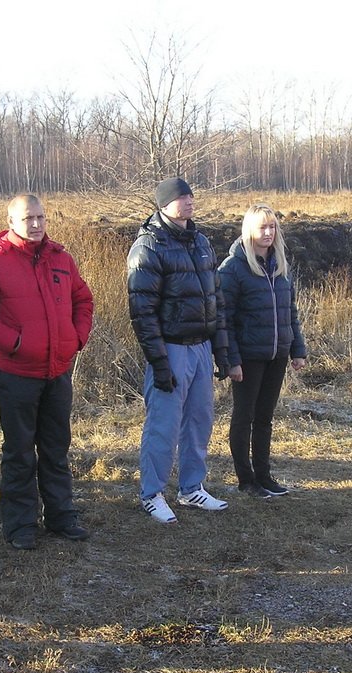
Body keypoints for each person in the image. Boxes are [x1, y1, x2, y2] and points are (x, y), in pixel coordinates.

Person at [0, 194, 93, 550]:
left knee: (56, 447)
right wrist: (14, 342)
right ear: (12, 221)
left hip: (57, 370)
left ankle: (61, 516)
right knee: (19, 451)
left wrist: (76, 337)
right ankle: (20, 524)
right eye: (27, 218)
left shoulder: (61, 259)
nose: (35, 225)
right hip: (16, 372)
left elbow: (83, 299)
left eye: (40, 217)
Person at [127, 177, 230, 523]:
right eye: (180, 197)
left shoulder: (201, 242)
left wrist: (222, 353)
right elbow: (142, 312)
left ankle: (191, 488)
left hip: (200, 347)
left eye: (190, 194)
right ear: (163, 204)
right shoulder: (149, 246)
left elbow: (215, 301)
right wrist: (159, 362)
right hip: (170, 348)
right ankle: (152, 493)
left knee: (199, 421)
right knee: (163, 425)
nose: (188, 201)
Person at [218, 204, 306, 497]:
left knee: (265, 417)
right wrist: (231, 360)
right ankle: (246, 480)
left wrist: (297, 349)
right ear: (249, 230)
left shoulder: (280, 264)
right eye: (262, 227)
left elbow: (289, 311)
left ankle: (264, 475)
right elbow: (224, 318)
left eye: (273, 227)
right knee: (244, 416)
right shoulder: (233, 268)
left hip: (277, 353)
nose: (268, 233)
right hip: (248, 355)